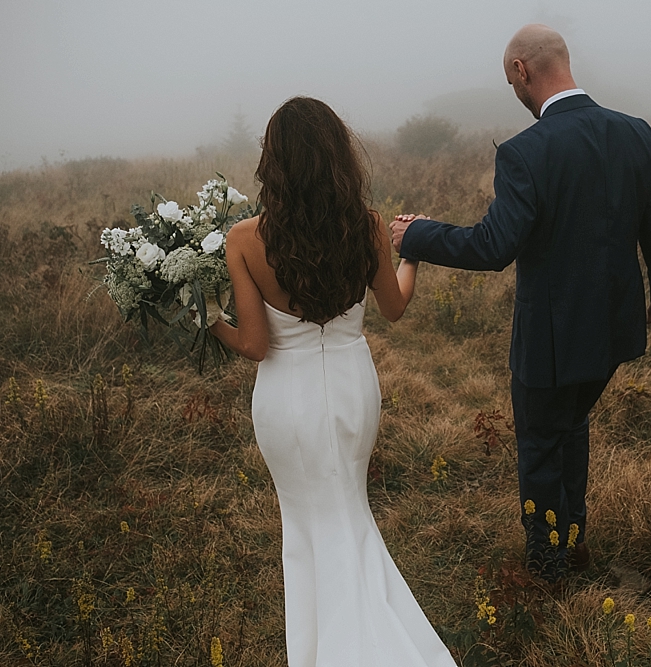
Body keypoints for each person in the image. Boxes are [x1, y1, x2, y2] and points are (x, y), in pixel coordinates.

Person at [390, 24, 651, 583]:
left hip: (551, 340)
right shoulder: (635, 132)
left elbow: (493, 246)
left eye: (510, 81)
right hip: (614, 330)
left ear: (523, 70)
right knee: (571, 426)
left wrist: (418, 235)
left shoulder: (527, 152)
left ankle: (547, 568)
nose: (515, 92)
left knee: (543, 442)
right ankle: (571, 543)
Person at [210, 96, 457, 667]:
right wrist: (411, 253)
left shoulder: (246, 239)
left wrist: (206, 321)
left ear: (273, 162)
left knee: (305, 523)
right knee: (348, 509)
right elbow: (393, 308)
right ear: (337, 157)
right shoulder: (368, 226)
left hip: (284, 400)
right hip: (352, 387)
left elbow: (254, 345)